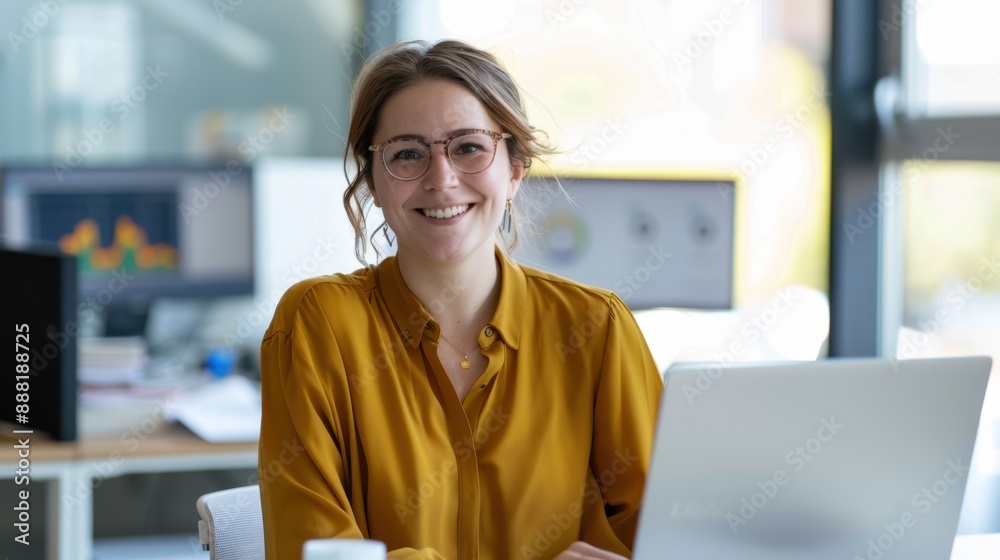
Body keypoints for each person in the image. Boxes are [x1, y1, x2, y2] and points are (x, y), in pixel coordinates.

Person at [258, 39, 664, 560]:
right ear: (373, 182)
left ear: (514, 169)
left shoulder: (597, 328)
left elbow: (666, 535)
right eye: (407, 153)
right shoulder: (316, 325)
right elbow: (309, 552)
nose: (442, 179)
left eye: (469, 147)